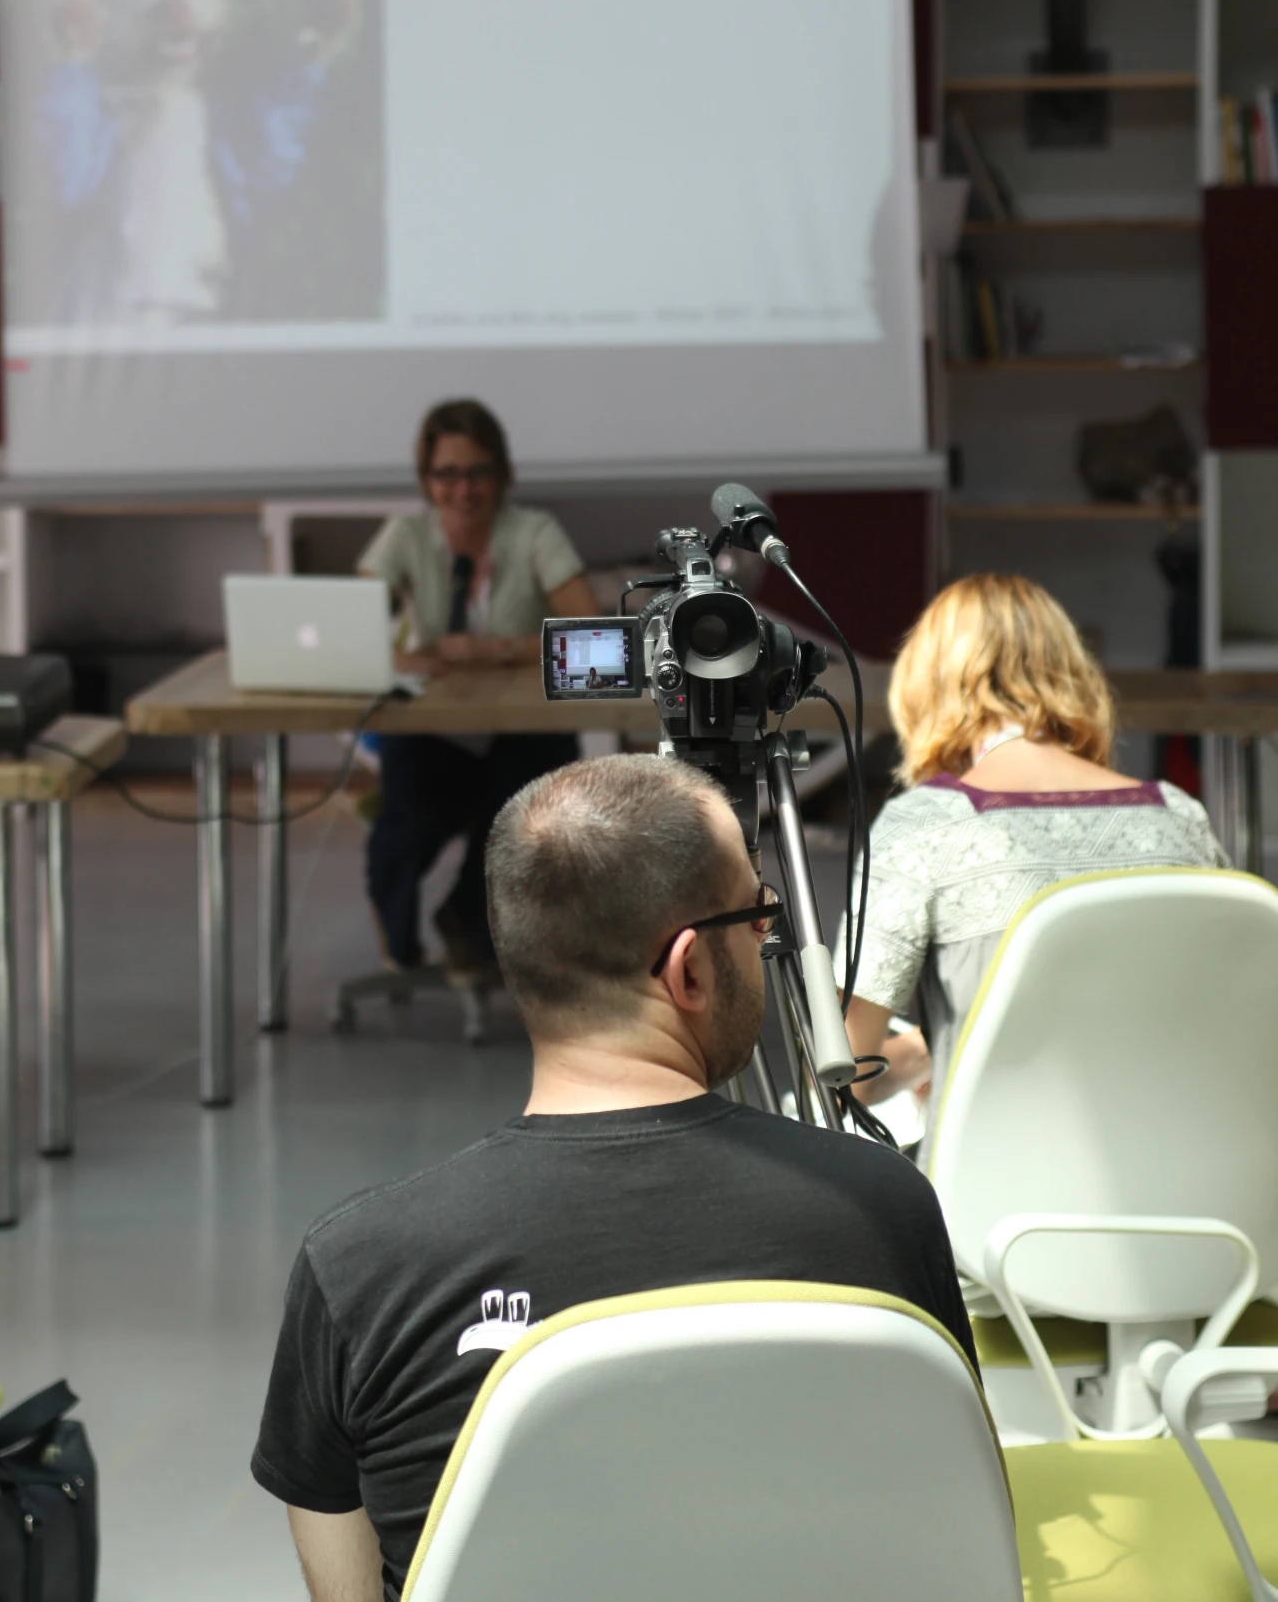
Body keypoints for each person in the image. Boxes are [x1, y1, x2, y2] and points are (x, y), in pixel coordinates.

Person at [253, 754, 977, 1602]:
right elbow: (950, 1519)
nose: (766, 935)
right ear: (688, 971)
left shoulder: (358, 1269)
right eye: (757, 913)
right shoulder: (878, 1207)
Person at [842, 573, 1225, 1119]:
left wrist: (945, 1045)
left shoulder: (923, 826)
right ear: (1072, 676)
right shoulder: (1180, 817)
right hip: (1193, 1179)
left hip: (988, 1195)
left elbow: (846, 1069)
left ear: (927, 688)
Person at [356, 399, 599, 982]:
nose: (463, 491)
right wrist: (406, 657)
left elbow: (592, 633)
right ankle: (403, 947)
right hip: (434, 726)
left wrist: (503, 650)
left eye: (477, 473)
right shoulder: (407, 535)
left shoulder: (533, 532)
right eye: (447, 475)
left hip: (522, 729)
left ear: (501, 475)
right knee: (403, 826)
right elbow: (353, 629)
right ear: (427, 480)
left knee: (519, 821)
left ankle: (466, 923)